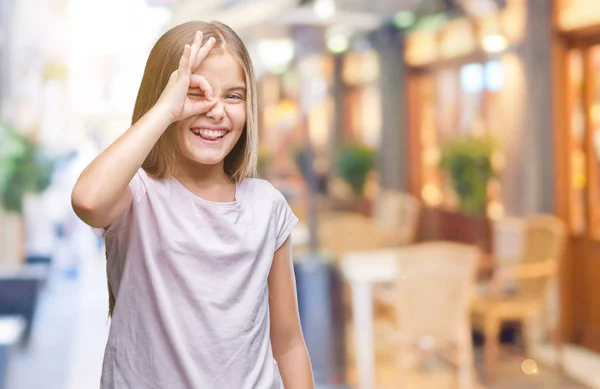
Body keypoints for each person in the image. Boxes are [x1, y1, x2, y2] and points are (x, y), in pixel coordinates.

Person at [71, 21, 314, 389]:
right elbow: (88, 200)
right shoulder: (138, 194)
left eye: (234, 96)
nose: (216, 111)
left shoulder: (267, 206)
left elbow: (289, 342)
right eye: (196, 92)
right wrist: (166, 110)